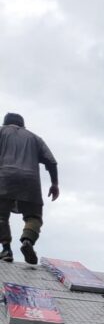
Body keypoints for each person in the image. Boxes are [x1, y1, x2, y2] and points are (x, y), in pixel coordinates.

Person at [0, 113, 59, 265]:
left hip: (4, 177)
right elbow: (51, 162)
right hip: (30, 181)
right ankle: (28, 241)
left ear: (5, 124)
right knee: (34, 217)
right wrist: (54, 184)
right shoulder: (35, 138)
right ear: (23, 126)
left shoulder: (1, 131)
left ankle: (6, 249)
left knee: (1, 217)